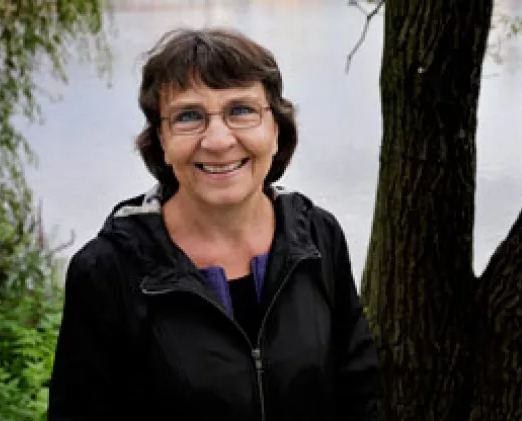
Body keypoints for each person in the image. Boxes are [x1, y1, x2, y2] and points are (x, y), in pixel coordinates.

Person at [46, 27, 380, 421]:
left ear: (276, 129)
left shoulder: (318, 237)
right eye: (188, 116)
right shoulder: (108, 270)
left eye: (241, 110)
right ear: (161, 141)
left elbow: (359, 393)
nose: (218, 140)